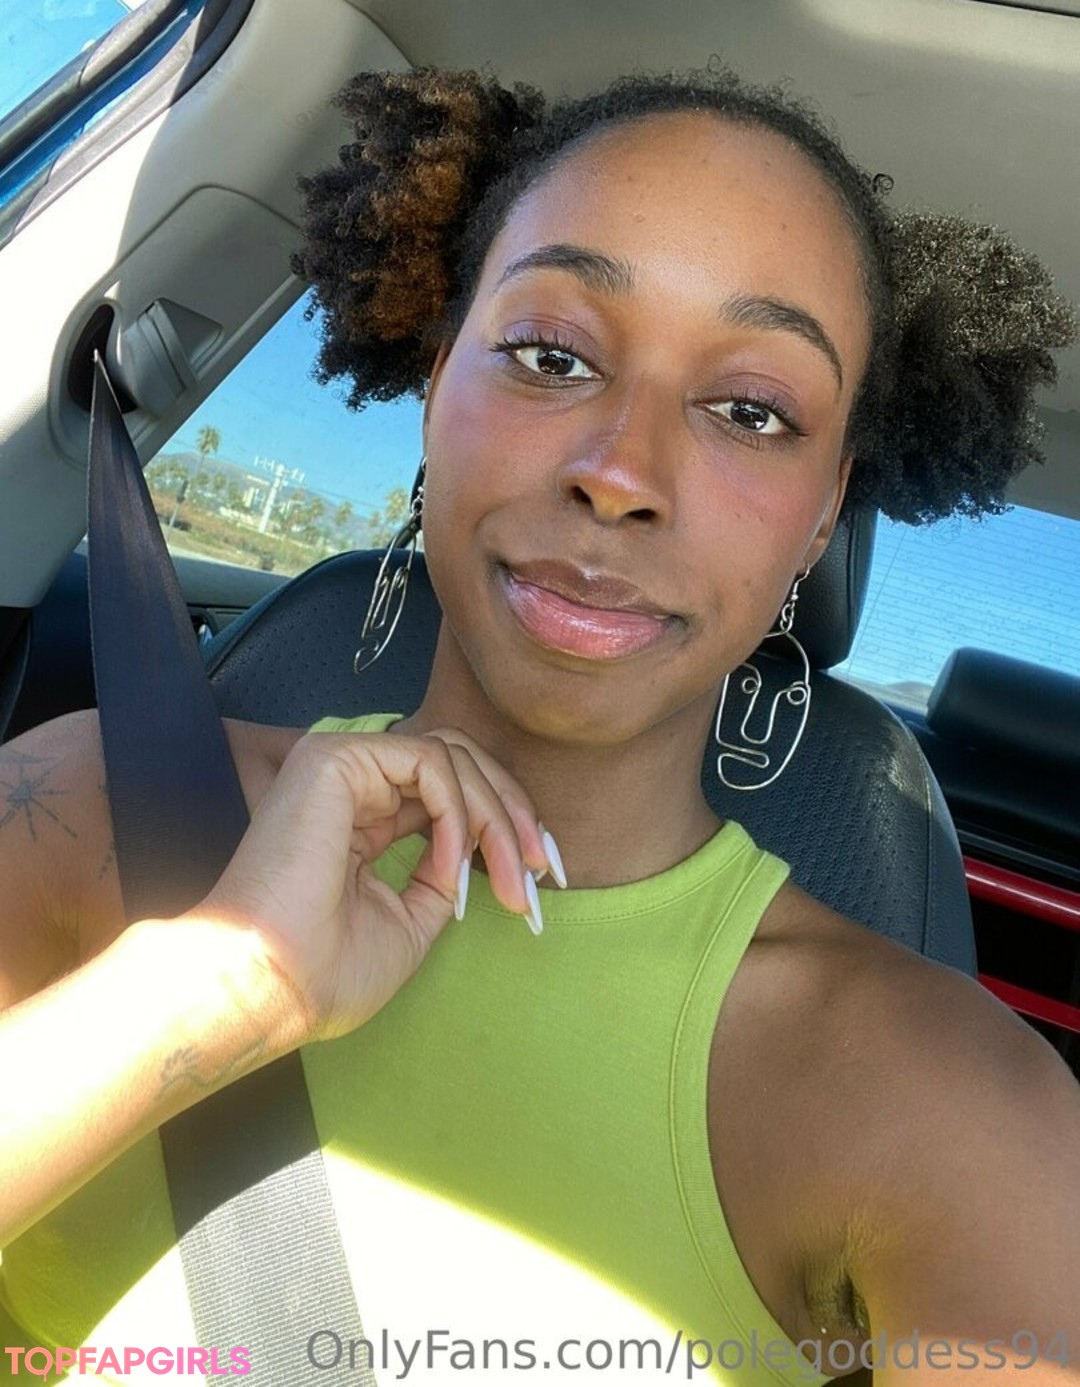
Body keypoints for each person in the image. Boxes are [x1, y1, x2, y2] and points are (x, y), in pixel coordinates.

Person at [1, 65, 1079, 1386]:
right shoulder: (88, 802)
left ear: (822, 514)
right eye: (551, 355)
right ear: (436, 385)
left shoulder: (948, 1102)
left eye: (752, 411)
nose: (619, 473)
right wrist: (220, 988)